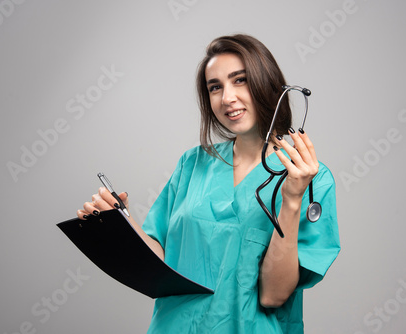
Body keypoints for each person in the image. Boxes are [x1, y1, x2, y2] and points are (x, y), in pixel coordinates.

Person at [77, 34, 340, 333]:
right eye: (215, 87)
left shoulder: (313, 179)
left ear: (267, 84)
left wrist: (292, 198)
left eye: (239, 80)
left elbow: (273, 295)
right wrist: (119, 221)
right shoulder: (193, 164)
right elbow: (164, 261)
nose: (227, 98)